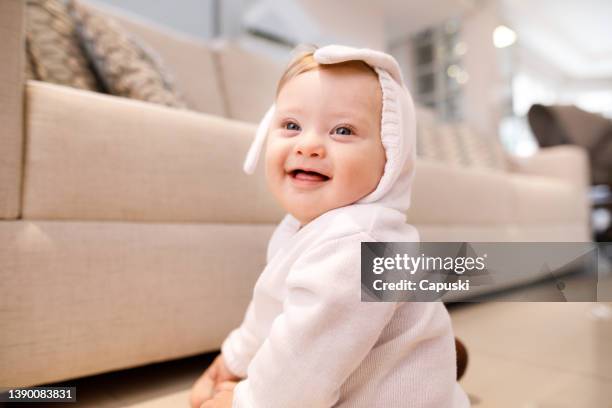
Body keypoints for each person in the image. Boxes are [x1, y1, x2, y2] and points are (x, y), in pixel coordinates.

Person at [190, 44, 470, 408]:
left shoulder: (361, 245)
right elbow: (271, 310)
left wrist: (241, 402)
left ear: (391, 158)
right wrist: (231, 362)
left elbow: (301, 371)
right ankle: (432, 355)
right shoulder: (301, 228)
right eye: (291, 125)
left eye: (342, 130)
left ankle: (429, 367)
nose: (308, 145)